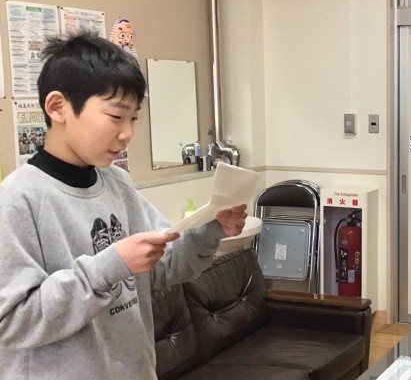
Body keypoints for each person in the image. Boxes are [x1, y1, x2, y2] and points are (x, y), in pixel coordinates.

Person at [0, 32, 247, 379]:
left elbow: (163, 266)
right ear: (57, 107)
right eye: (116, 116)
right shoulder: (17, 199)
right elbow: (12, 322)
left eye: (133, 118)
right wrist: (108, 267)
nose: (127, 133)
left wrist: (210, 230)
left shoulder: (117, 182)